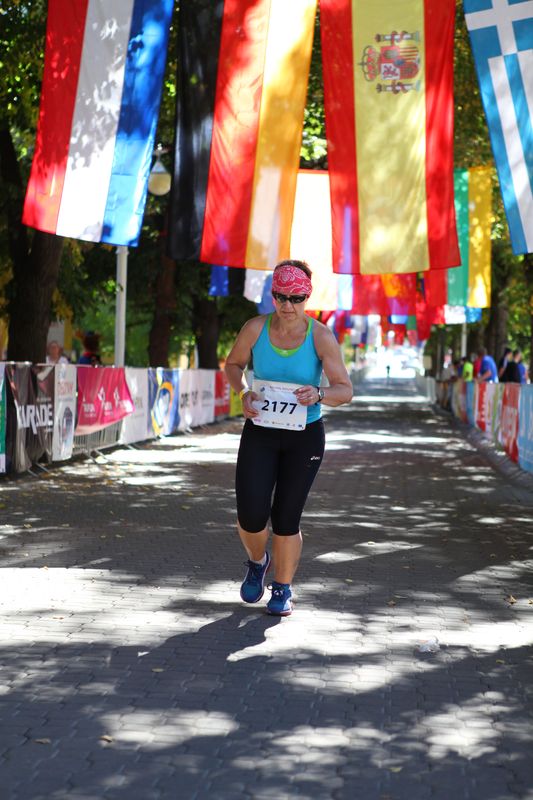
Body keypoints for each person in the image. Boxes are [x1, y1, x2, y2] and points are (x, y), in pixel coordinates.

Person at [224, 260, 353, 616]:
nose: (288, 305)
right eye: (281, 297)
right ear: (273, 296)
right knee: (250, 514)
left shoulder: (320, 336)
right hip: (261, 432)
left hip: (304, 436)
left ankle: (282, 587)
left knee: (286, 517)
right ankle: (257, 561)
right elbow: (233, 365)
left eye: (296, 298)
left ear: (307, 298)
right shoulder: (255, 329)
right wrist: (244, 391)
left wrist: (319, 393)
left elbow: (345, 390)